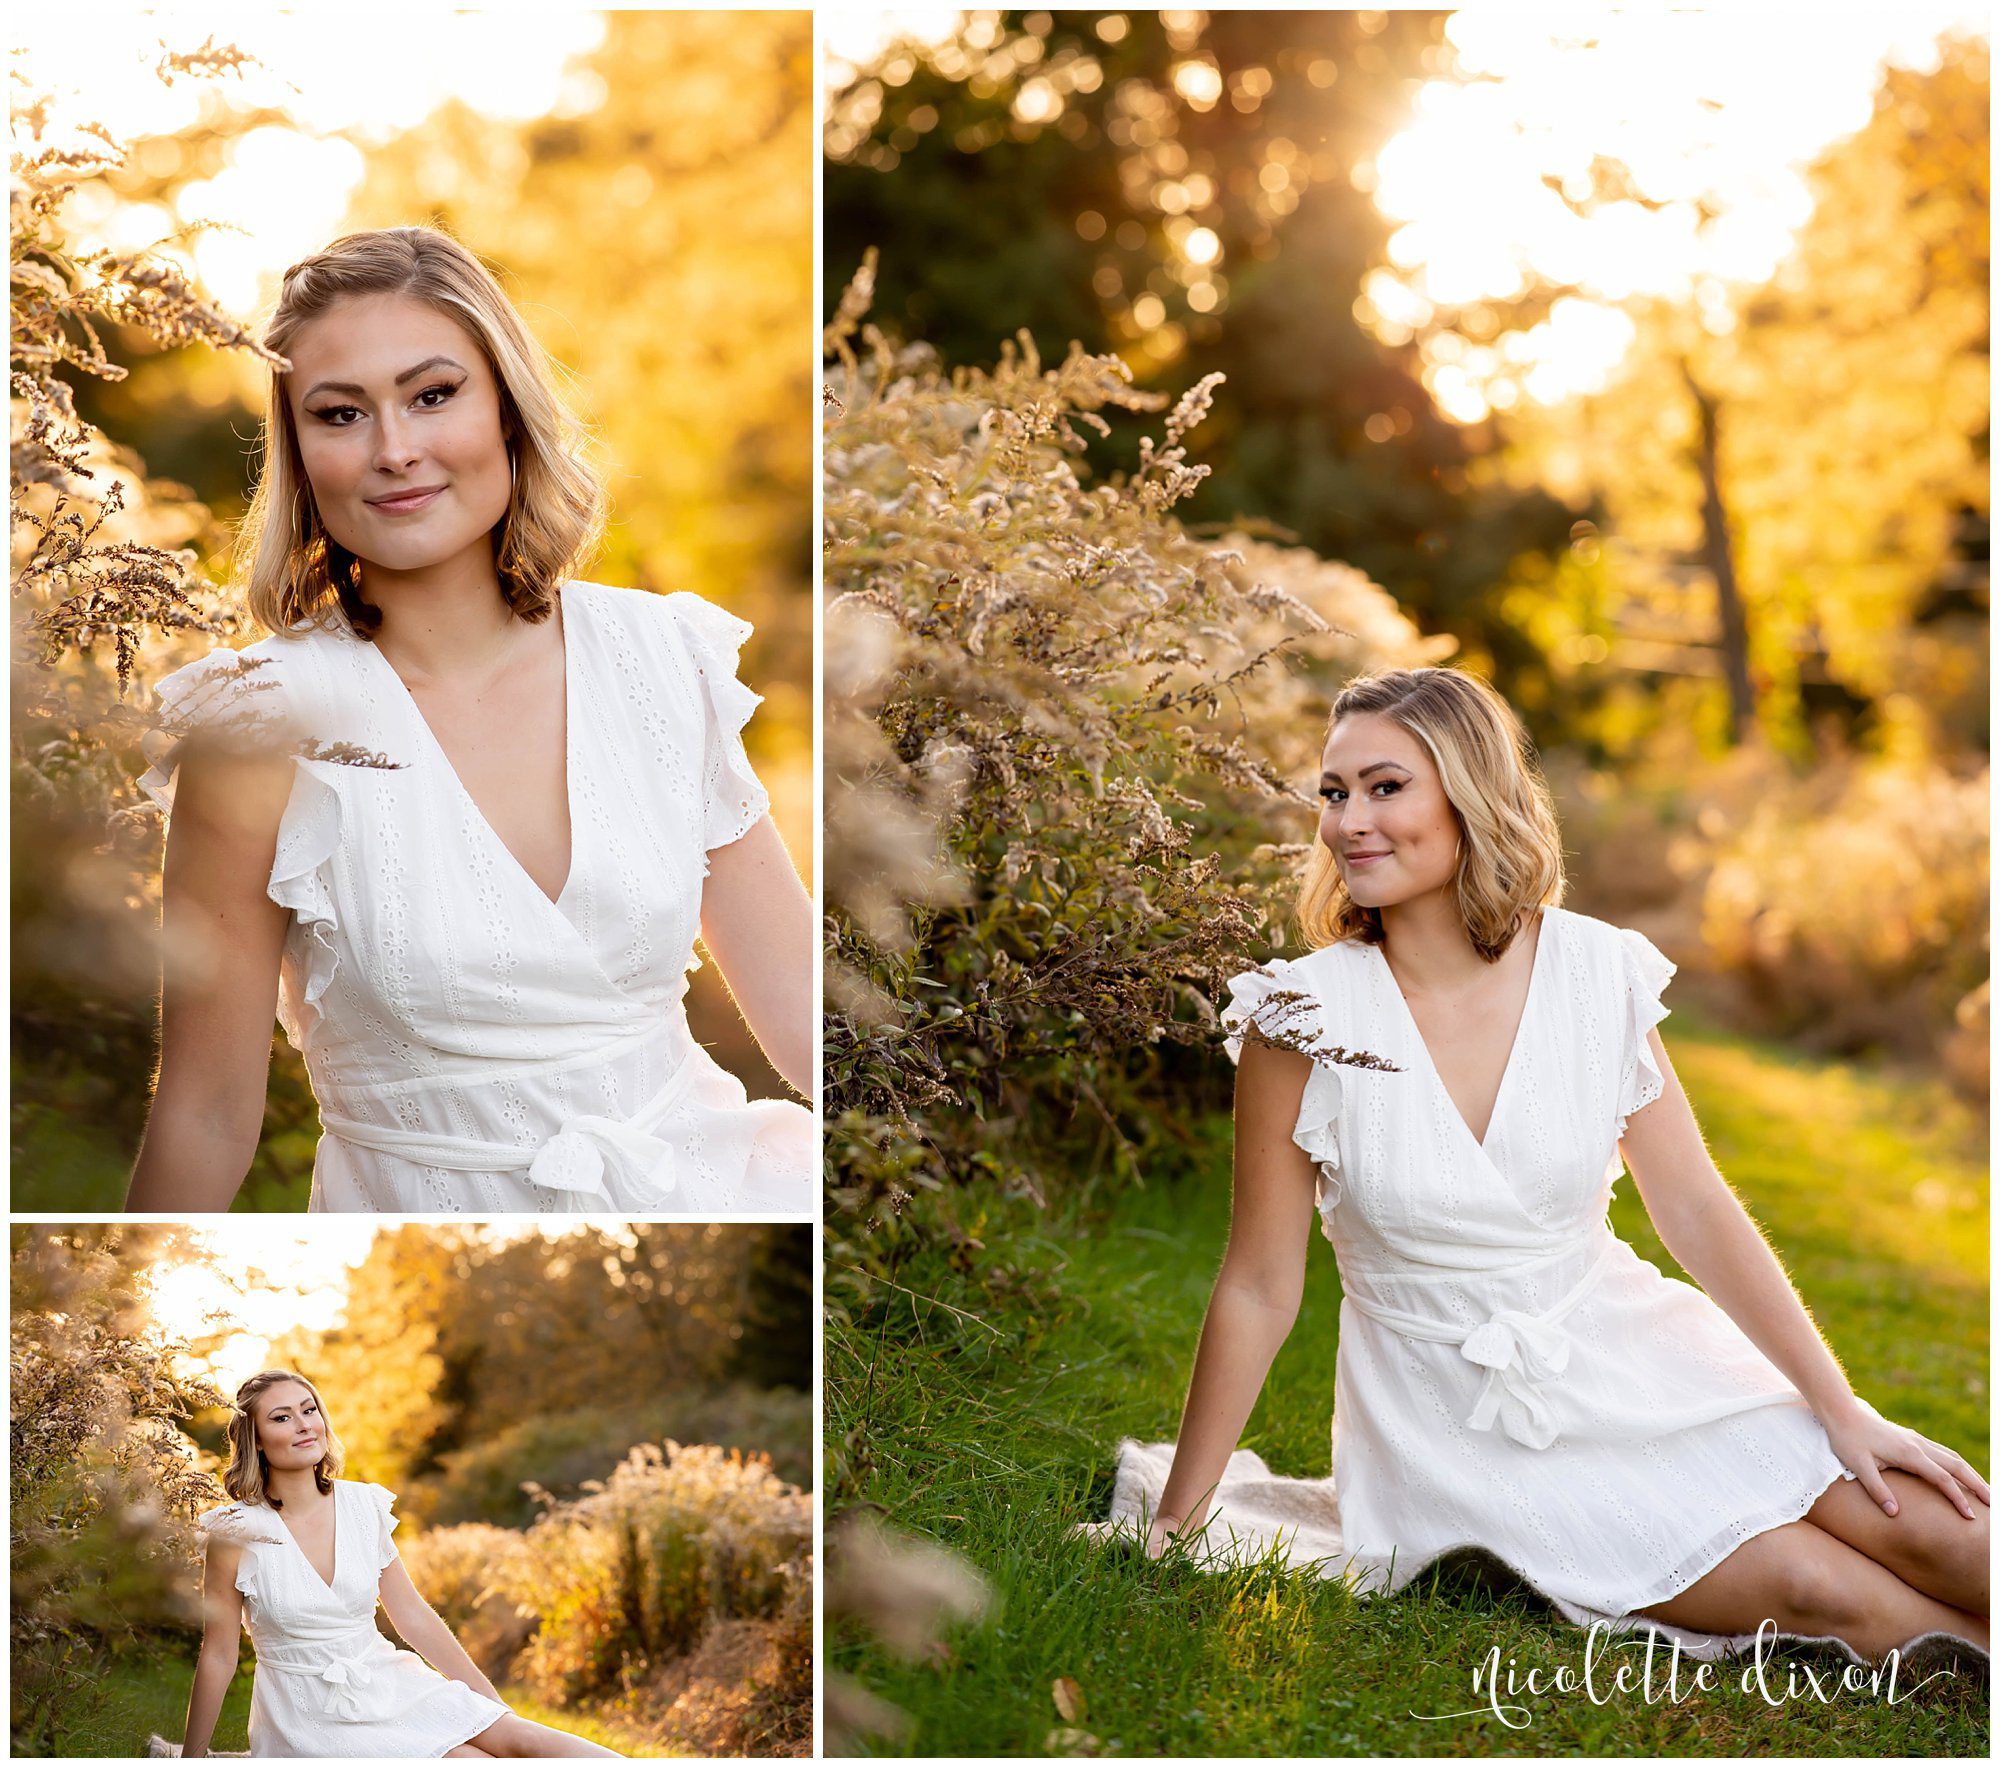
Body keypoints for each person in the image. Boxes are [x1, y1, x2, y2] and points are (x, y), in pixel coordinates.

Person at [1098, 667, 1989, 1664]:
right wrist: (1177, 1517)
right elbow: (1260, 1285)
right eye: (1333, 792)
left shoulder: (1594, 971)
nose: (1350, 822)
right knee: (1816, 1588)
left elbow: (1693, 1206)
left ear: (1470, 795)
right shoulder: (1297, 1016)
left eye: (1386, 787)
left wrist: (1839, 1407)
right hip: (1454, 1429)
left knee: (1956, 1540)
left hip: (1634, 1354)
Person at [125, 226, 812, 1213]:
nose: (395, 450)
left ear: (507, 410)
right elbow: (205, 1113)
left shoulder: (663, 657)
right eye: (340, 413)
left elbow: (808, 1022)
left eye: (433, 394)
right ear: (300, 453)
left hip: (717, 1189)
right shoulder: (256, 729)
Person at [180, 1370, 618, 1758]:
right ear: (255, 1439)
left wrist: (492, 1707)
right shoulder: (234, 1531)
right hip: (308, 1713)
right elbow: (219, 1653)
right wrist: (191, 1758)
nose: (304, 1425)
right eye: (282, 1417)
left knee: (523, 1740)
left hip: (389, 1681)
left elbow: (411, 1615)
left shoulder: (363, 1505)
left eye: (309, 1410)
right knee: (469, 1760)